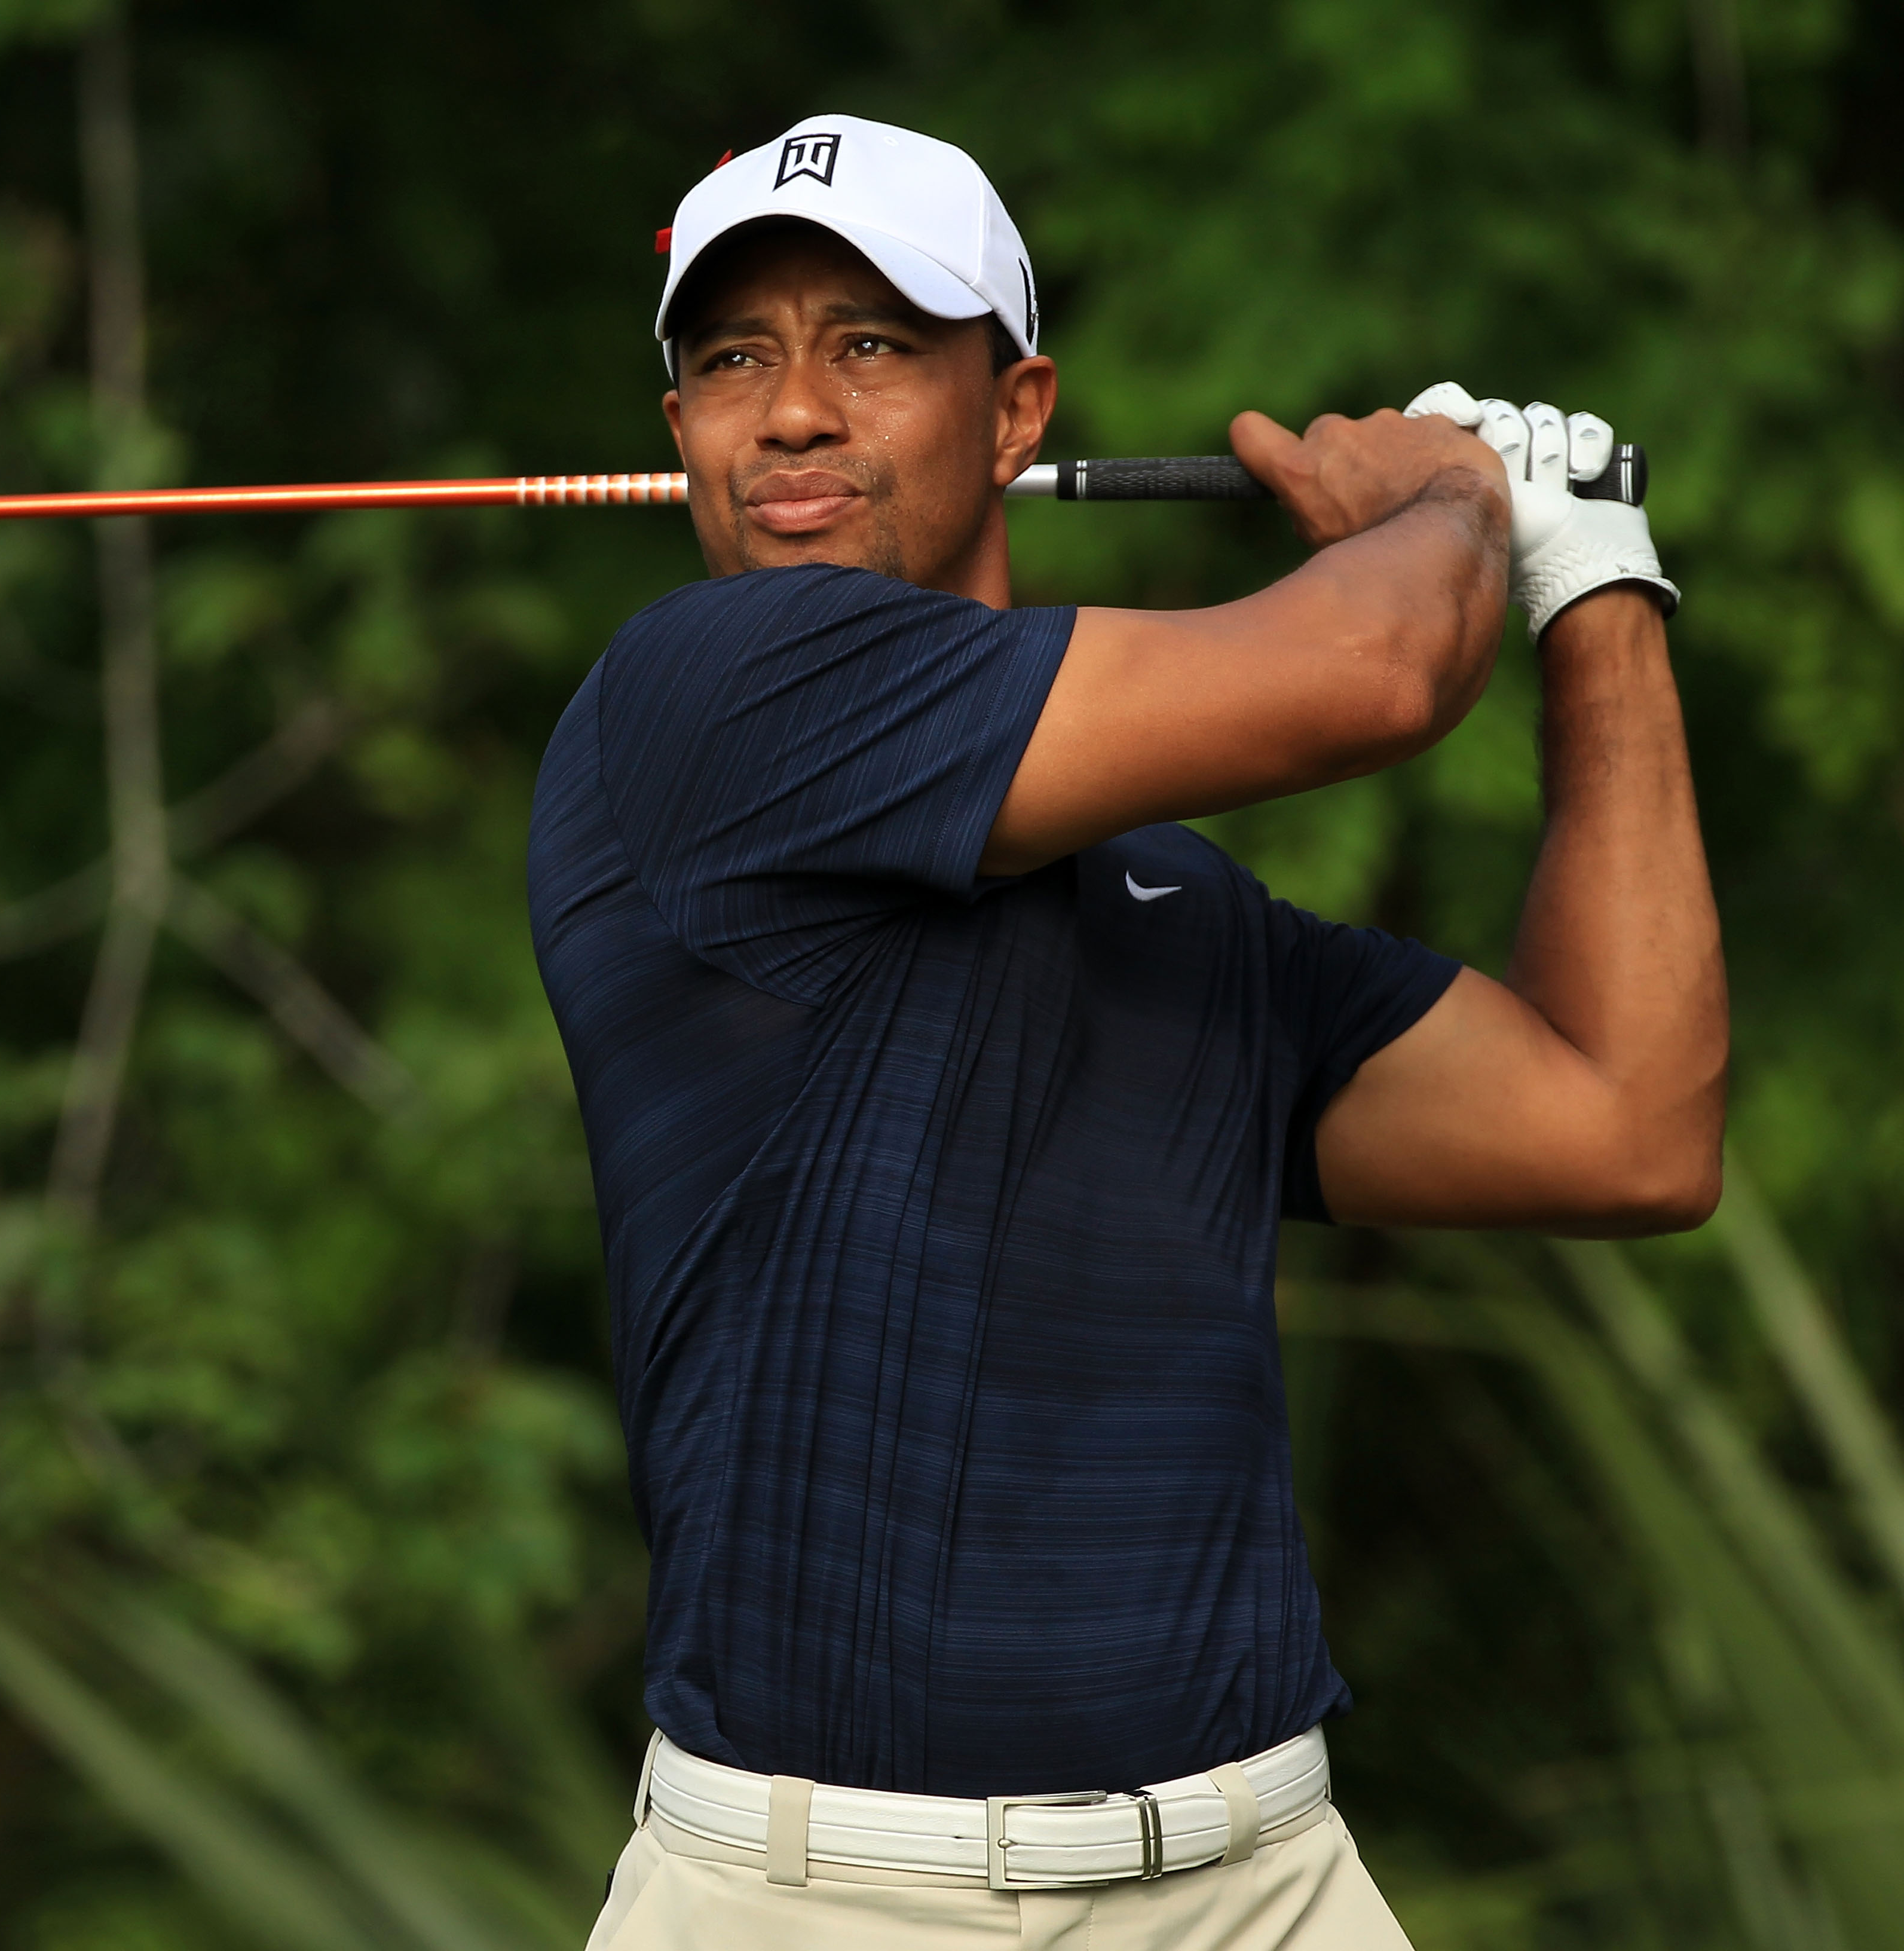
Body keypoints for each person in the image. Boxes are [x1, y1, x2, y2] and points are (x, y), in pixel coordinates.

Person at [529, 114, 1723, 1949]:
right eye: (728, 360)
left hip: (1261, 1881)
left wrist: (1600, 590)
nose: (786, 414)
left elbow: (1626, 1126)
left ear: (1018, 413)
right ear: (681, 427)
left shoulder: (1178, 909)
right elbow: (1381, 668)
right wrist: (1464, 504)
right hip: (818, 1899)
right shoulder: (701, 712)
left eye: (870, 347)